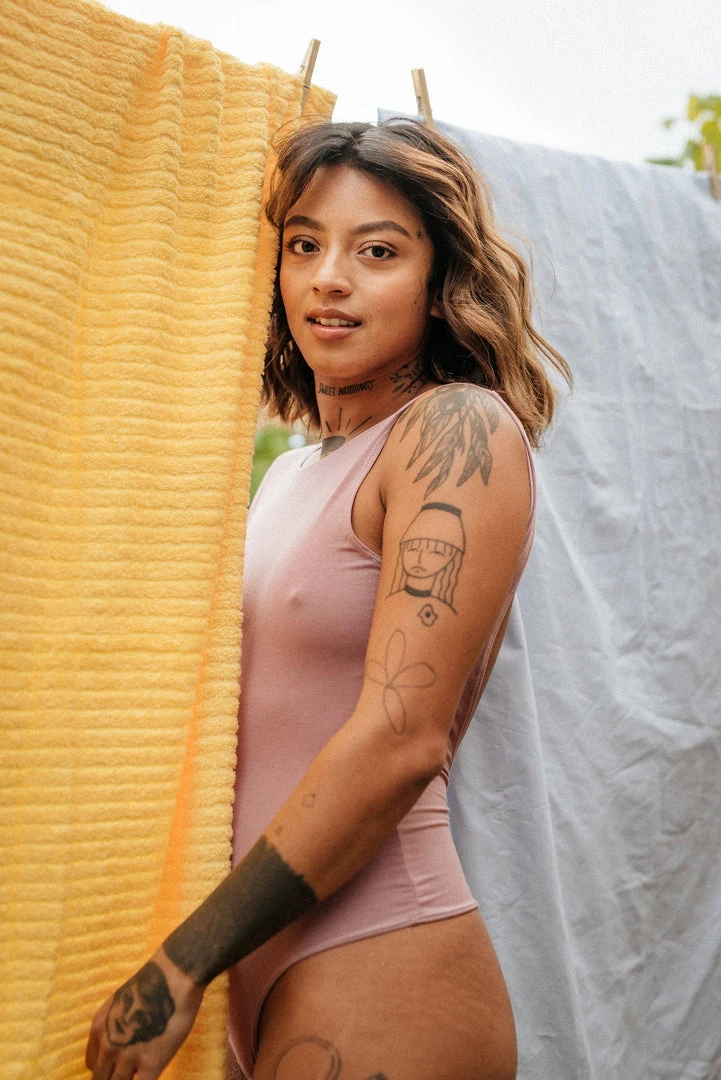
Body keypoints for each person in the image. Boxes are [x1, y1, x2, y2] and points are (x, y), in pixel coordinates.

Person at [86, 118, 570, 1080]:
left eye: (376, 251)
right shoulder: (287, 475)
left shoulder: (456, 431)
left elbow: (401, 738)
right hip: (254, 960)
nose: (329, 279)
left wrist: (182, 963)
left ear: (440, 281)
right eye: (303, 245)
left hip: (379, 949)